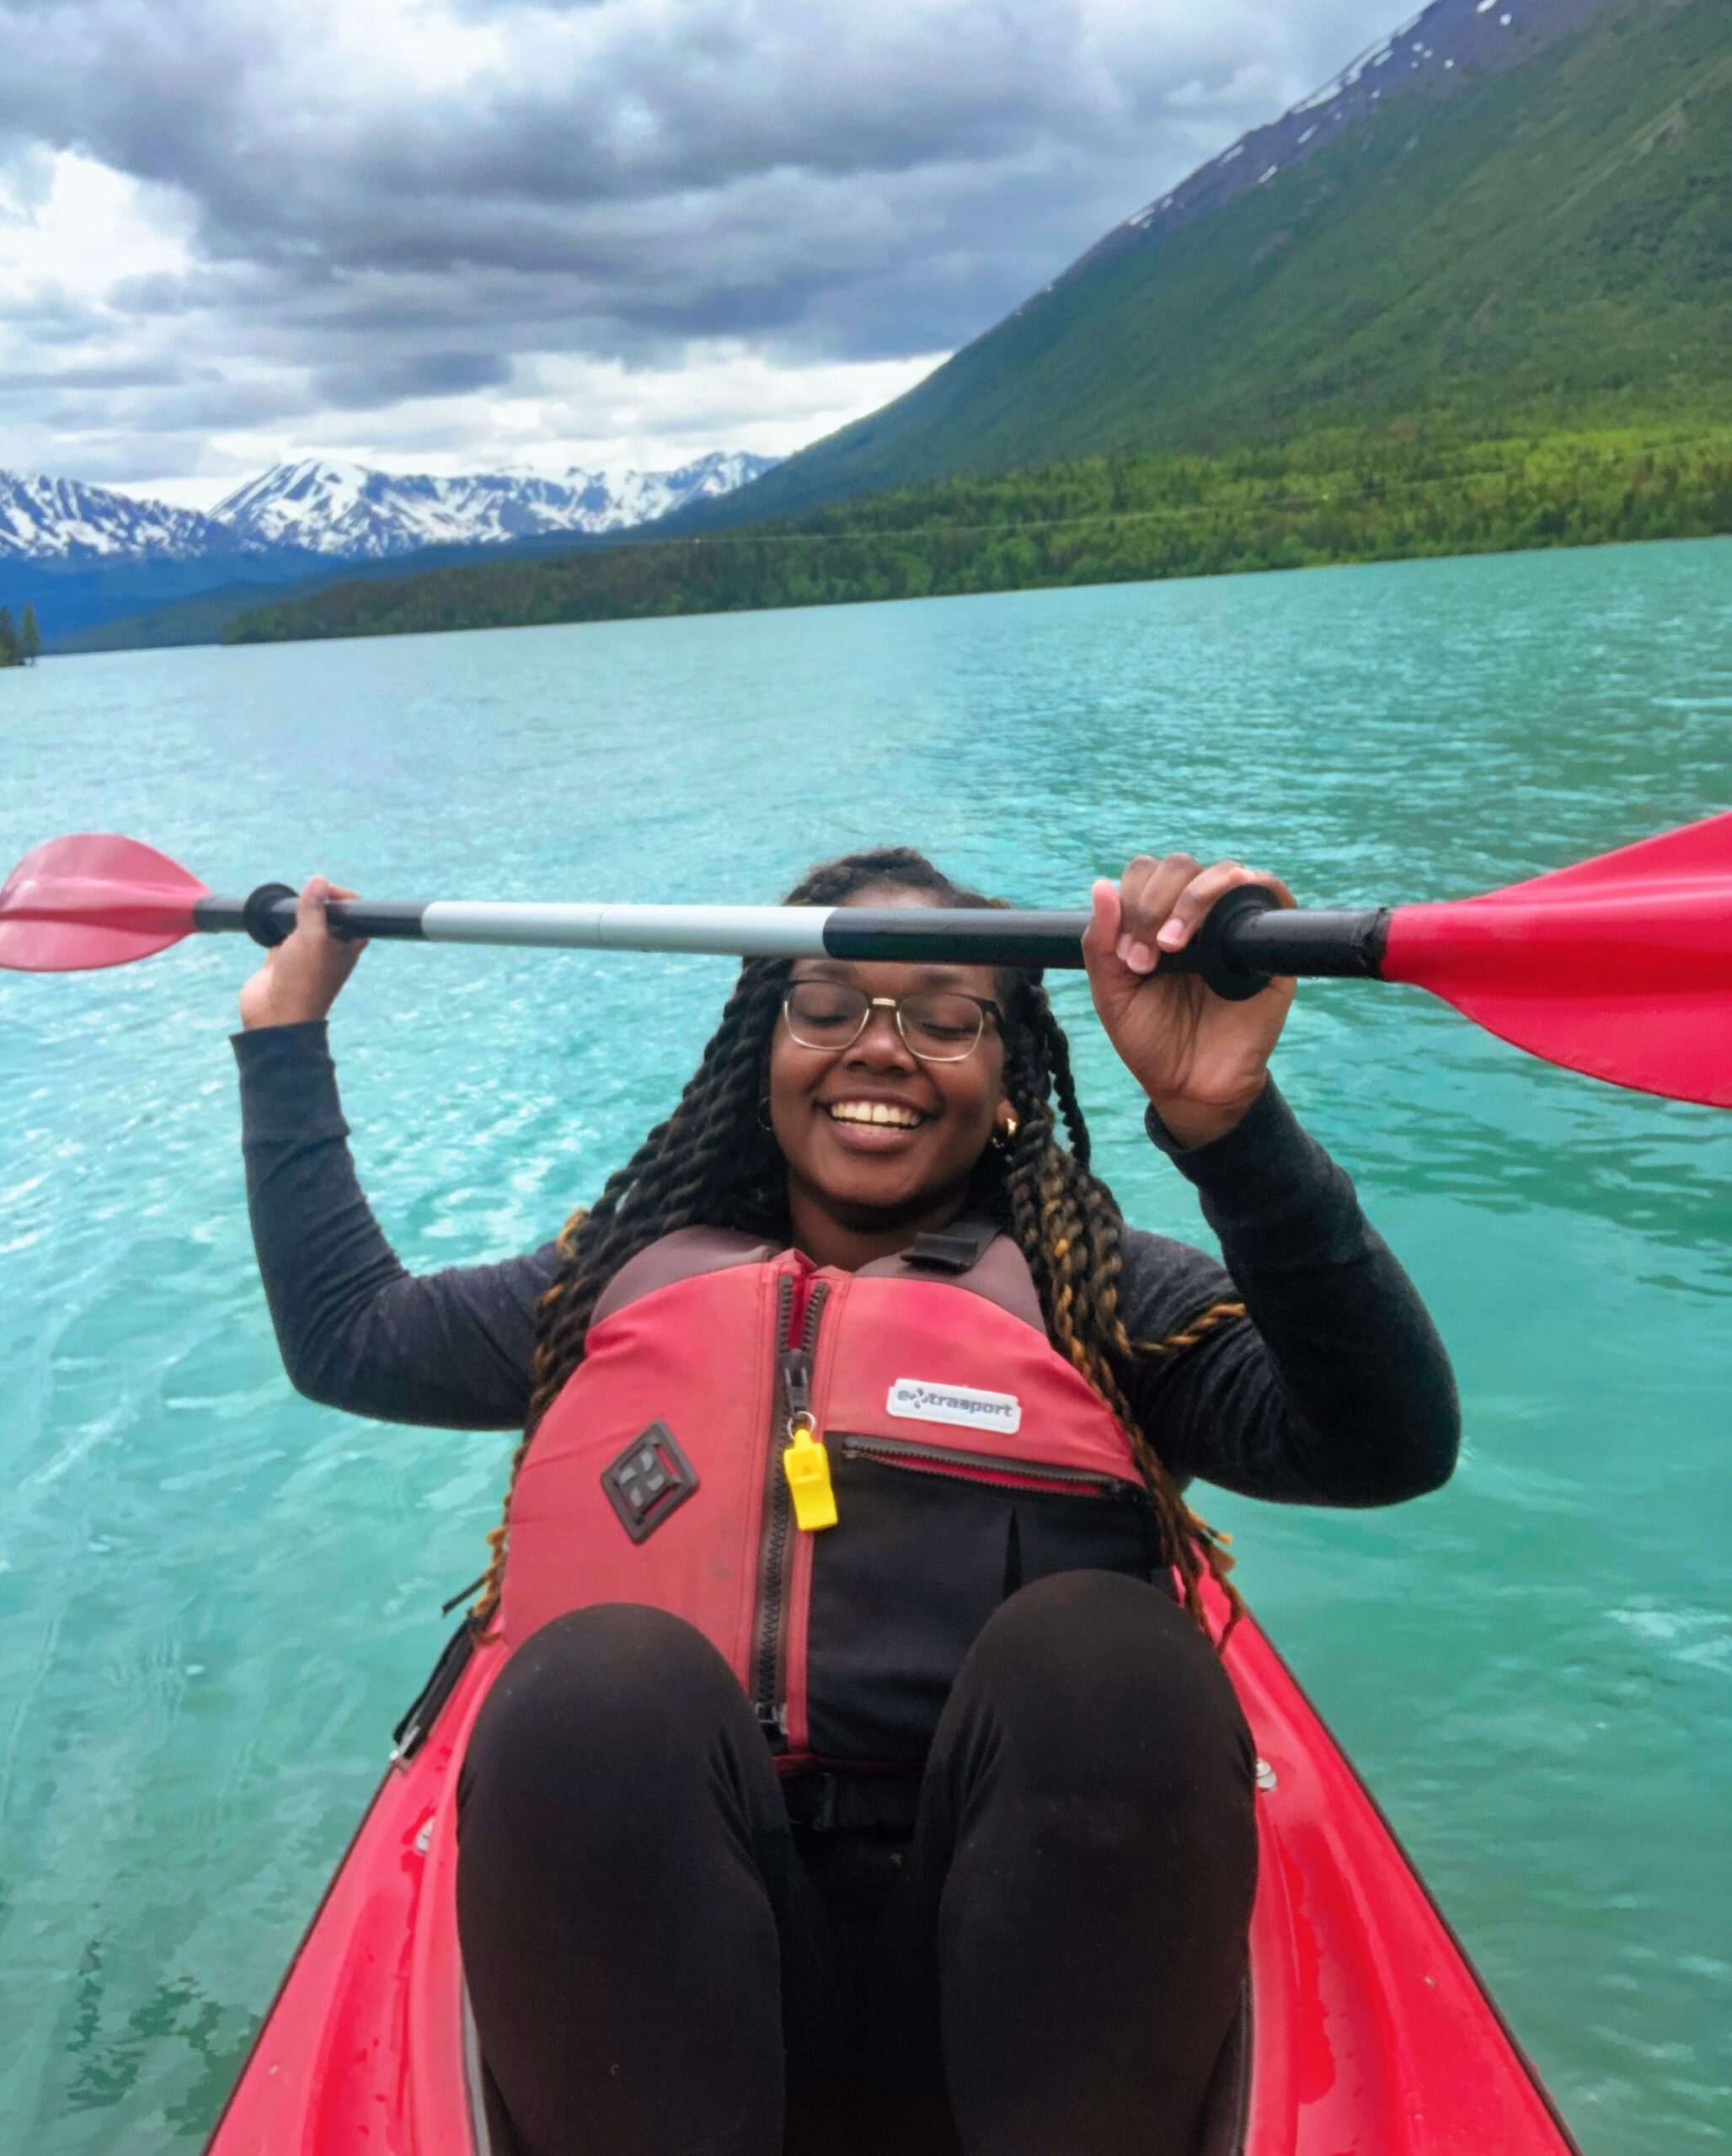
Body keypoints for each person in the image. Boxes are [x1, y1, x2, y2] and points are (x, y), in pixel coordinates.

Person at [233, 845, 1458, 2156]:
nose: (880, 1049)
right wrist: (285, 1033)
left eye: (944, 1019)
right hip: (663, 1982)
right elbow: (350, 1336)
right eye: (827, 1009)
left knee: (1109, 1662)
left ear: (1004, 1080)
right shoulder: (621, 1276)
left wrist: (1231, 1127)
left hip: (1036, 1970)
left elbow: (1383, 1442)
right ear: (765, 1052)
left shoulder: (1096, 1290)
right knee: (592, 1689)